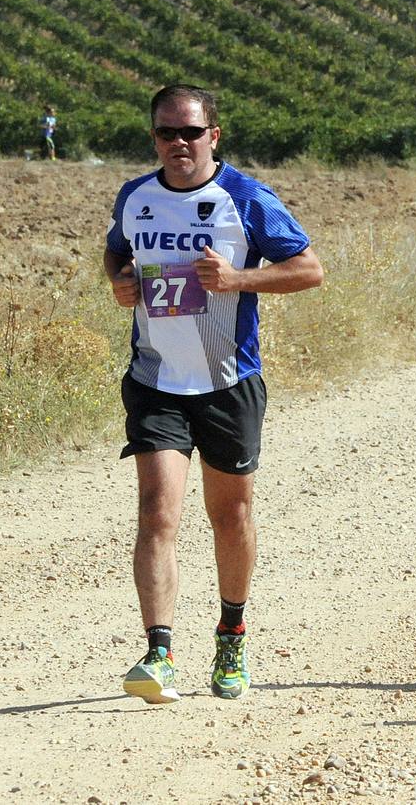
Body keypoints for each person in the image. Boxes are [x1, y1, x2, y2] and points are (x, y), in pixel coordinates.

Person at [104, 85, 323, 704]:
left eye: (190, 133)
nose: (178, 143)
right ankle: (159, 652)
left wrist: (237, 278)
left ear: (213, 136)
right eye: (165, 132)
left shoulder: (246, 199)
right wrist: (120, 283)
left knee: (230, 516)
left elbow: (309, 269)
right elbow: (115, 254)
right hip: (156, 381)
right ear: (153, 137)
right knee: (157, 511)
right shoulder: (136, 197)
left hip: (228, 382)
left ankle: (231, 634)